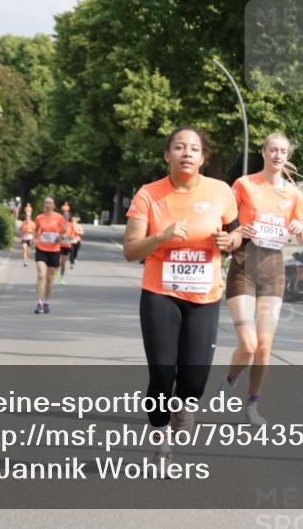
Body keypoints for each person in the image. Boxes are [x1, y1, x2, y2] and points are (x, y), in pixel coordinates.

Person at [123, 127, 240, 472]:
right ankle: (161, 444)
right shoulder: (149, 195)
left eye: (194, 149)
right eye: (179, 147)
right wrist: (161, 236)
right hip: (160, 293)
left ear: (202, 158)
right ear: (167, 155)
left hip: (204, 296)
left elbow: (237, 235)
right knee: (162, 374)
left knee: (193, 380)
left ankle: (186, 403)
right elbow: (131, 250)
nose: (186, 153)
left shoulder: (220, 191)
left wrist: (229, 243)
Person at [219, 132, 303, 426]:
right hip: (245, 265)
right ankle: (228, 382)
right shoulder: (245, 184)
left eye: (283, 151)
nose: (278, 155)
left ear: (288, 156)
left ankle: (253, 405)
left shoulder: (294, 194)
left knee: (264, 347)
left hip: (273, 271)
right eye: (273, 150)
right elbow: (225, 218)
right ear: (263, 152)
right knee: (247, 344)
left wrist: (300, 230)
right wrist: (235, 232)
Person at [33, 197, 66, 314]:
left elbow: (64, 231)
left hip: (54, 250)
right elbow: (36, 230)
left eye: (50, 203)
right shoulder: (39, 218)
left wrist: (60, 237)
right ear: (44, 205)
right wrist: (35, 239)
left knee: (49, 279)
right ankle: (39, 303)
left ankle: (46, 302)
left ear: (54, 206)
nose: (48, 204)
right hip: (41, 249)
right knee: (41, 275)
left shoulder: (59, 218)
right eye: (46, 202)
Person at [58, 211, 74, 285]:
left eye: (67, 215)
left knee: (63, 263)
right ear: (62, 216)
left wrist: (70, 237)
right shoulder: (59, 224)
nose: (66, 217)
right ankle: (55, 271)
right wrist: (61, 236)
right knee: (57, 261)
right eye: (64, 215)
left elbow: (72, 235)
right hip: (58, 245)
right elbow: (56, 233)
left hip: (67, 245)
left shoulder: (71, 225)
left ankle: (61, 278)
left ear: (69, 217)